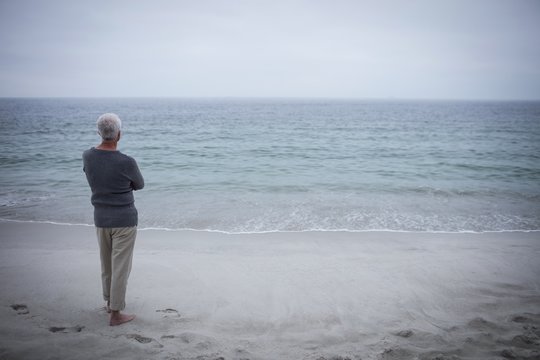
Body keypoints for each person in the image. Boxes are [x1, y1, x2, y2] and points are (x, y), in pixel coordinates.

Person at [83, 113, 144, 326]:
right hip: (124, 219)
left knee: (106, 263)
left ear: (99, 133)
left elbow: (93, 176)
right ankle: (116, 313)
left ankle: (109, 302)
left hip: (101, 217)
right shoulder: (126, 161)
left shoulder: (88, 156)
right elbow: (139, 184)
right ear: (119, 134)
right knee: (120, 267)